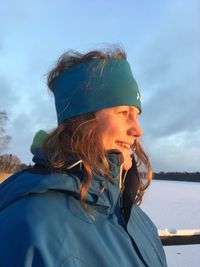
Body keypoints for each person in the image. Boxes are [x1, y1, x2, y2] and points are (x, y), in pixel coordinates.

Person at [0, 47, 167, 267]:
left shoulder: (139, 222)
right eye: (124, 113)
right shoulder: (31, 223)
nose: (138, 130)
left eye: (136, 115)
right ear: (83, 120)